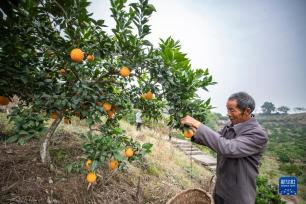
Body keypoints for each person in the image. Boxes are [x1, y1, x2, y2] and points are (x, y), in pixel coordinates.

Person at [181, 92, 268, 204]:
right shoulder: (230, 125)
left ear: (247, 111)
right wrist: (194, 133)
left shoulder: (257, 134)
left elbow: (228, 148)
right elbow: (217, 141)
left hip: (238, 196)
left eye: (232, 110)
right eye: (227, 110)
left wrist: (198, 124)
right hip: (221, 190)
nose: (228, 114)